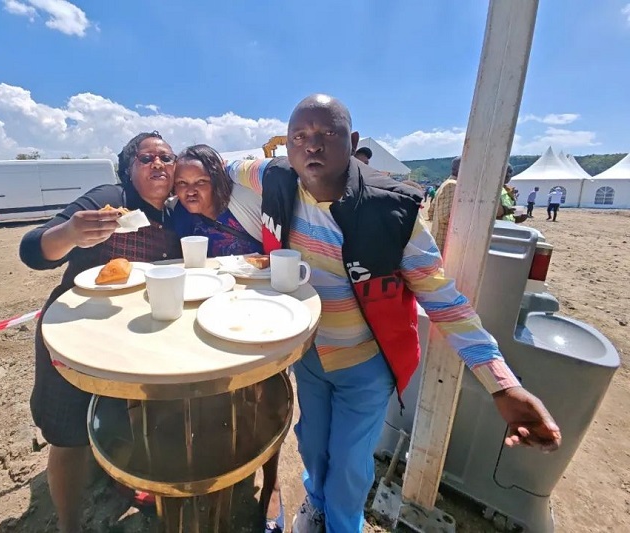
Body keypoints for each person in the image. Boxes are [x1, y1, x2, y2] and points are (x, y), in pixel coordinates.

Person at [226, 94, 561, 533]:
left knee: (349, 462)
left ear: (353, 142)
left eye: (328, 133)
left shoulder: (390, 212)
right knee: (311, 444)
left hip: (365, 364)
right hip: (309, 356)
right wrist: (193, 166)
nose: (312, 145)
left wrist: (503, 384)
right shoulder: (276, 176)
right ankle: (317, 504)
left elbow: (443, 300)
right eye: (300, 136)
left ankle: (343, 525)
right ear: (287, 146)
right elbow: (231, 167)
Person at [19, 132, 183, 533]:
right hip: (74, 333)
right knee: (69, 434)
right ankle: (69, 525)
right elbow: (32, 250)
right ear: (129, 169)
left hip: (133, 337)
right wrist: (70, 234)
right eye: (147, 158)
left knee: (132, 416)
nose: (159, 164)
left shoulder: (175, 213)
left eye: (166, 157)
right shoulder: (109, 200)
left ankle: (127, 478)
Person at [171, 144, 285, 533]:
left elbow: (280, 175)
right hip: (212, 323)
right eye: (182, 183)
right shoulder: (180, 217)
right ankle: (219, 476)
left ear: (217, 180)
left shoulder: (243, 202)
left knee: (268, 400)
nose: (190, 191)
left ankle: (272, 482)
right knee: (216, 403)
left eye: (200, 181)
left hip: (261, 318)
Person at [426, 156, 460, 255]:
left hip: (438, 238)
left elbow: (430, 211)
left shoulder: (445, 184)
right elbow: (445, 217)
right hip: (444, 241)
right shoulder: (453, 185)